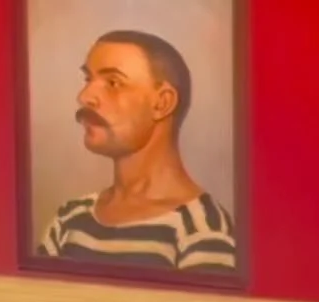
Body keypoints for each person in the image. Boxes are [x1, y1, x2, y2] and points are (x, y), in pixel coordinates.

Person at [37, 30, 236, 275]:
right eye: (88, 79)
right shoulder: (70, 218)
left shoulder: (203, 232)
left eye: (113, 83)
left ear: (162, 103)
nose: (85, 97)